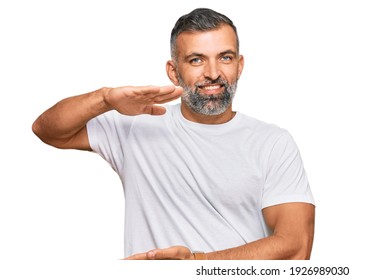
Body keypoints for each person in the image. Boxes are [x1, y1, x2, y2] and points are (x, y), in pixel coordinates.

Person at [32, 8, 315, 260]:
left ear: (239, 65)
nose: (213, 73)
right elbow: (48, 130)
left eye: (225, 57)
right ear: (173, 71)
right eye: (196, 60)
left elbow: (296, 246)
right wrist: (105, 99)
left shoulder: (272, 142)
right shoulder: (136, 124)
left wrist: (195, 264)